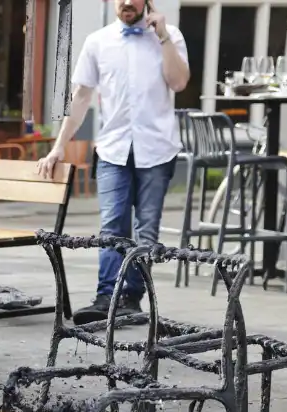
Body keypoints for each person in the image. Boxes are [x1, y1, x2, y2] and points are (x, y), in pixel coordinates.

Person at [36, 0, 189, 324]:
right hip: (113, 150)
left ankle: (131, 300)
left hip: (156, 150)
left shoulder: (170, 35)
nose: (126, 3)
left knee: (145, 231)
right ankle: (106, 297)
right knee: (112, 226)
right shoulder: (98, 41)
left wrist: (162, 36)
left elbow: (179, 82)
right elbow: (81, 97)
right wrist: (59, 147)